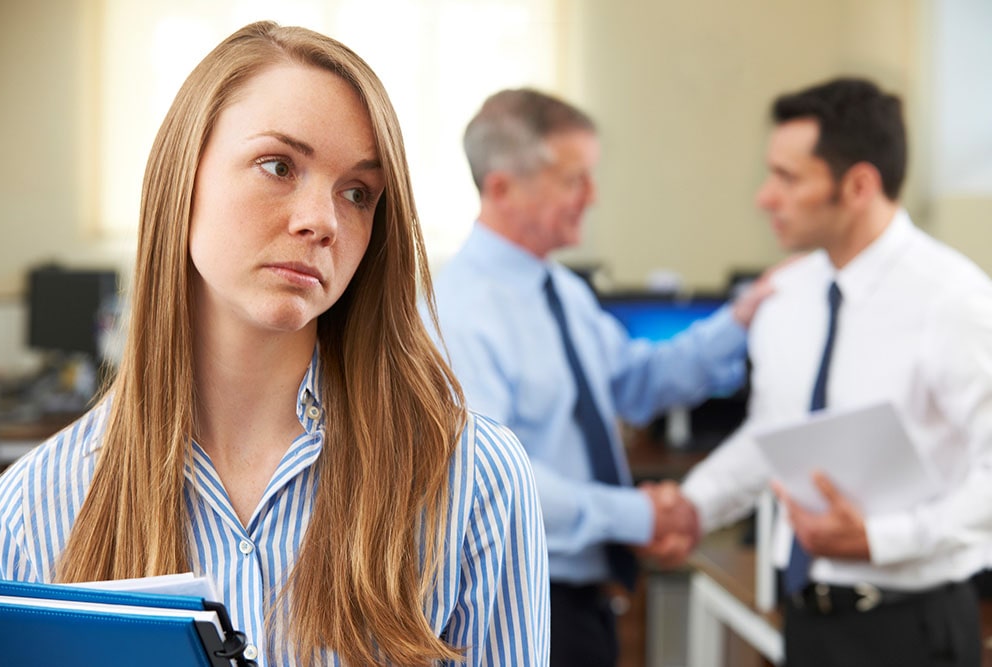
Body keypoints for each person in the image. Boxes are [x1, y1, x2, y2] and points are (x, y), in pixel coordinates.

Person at [0, 21, 550, 667]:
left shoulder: (474, 478)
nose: (322, 220)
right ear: (183, 177)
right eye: (278, 165)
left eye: (358, 193)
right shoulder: (32, 507)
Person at [423, 87, 770, 667]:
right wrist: (639, 514)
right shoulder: (457, 311)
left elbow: (639, 380)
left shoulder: (563, 292)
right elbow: (494, 481)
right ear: (502, 187)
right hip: (519, 607)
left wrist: (740, 319)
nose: (593, 196)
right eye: (573, 179)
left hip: (583, 603)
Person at [661, 77, 992, 666]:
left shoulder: (956, 301)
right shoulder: (785, 295)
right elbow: (773, 434)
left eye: (788, 178)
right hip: (809, 622)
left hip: (914, 631)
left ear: (859, 185)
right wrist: (695, 503)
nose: (765, 197)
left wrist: (882, 540)